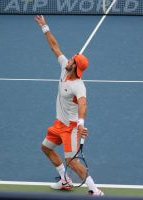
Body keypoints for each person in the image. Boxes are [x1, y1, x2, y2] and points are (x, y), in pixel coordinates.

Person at [34, 15, 104, 196]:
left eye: (73, 60)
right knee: (46, 148)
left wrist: (81, 123)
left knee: (72, 161)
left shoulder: (78, 86)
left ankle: (95, 191)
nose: (69, 59)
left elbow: (83, 103)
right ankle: (65, 180)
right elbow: (54, 46)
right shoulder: (64, 66)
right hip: (59, 124)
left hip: (71, 128)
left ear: (75, 67)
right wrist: (45, 27)